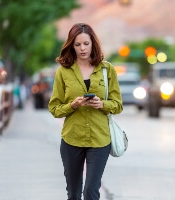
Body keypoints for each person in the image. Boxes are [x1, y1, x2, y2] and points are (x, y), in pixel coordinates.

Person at [48, 23, 123, 200]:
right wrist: (72, 105)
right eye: (77, 44)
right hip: (72, 139)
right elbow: (54, 108)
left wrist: (102, 104)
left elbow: (118, 105)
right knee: (73, 194)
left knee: (91, 190)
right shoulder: (63, 72)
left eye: (86, 44)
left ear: (93, 44)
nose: (82, 48)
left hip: (99, 139)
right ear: (71, 46)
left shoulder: (107, 69)